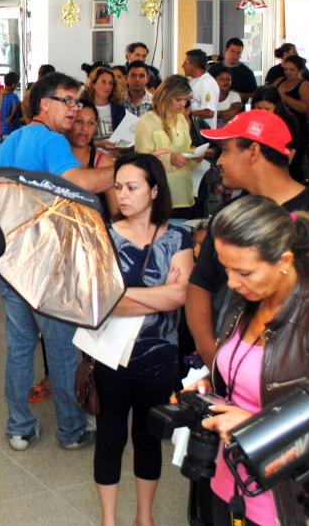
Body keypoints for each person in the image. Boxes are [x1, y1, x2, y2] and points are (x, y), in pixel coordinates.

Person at [196, 194, 309, 525]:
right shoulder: (249, 301)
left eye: (243, 272)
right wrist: (210, 388)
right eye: (226, 269)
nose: (230, 282)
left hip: (283, 501)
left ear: (284, 260)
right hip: (228, 481)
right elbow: (247, 377)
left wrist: (253, 427)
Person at [0, 72, 116, 452]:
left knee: (20, 346)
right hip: (47, 260)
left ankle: (20, 427)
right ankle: (72, 430)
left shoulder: (7, 142)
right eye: (68, 100)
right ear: (44, 104)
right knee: (61, 348)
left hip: (10, 257)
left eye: (77, 101)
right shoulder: (50, 140)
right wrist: (124, 171)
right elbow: (79, 181)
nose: (75, 108)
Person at [186, 109, 309, 368]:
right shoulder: (229, 214)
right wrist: (208, 348)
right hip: (225, 365)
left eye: (226, 150)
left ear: (253, 152)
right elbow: (200, 283)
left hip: (284, 373)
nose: (218, 161)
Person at [95, 153, 192, 526]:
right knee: (110, 437)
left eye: (132, 187)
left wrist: (122, 297)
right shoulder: (103, 235)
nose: (122, 195)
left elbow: (180, 297)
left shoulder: (178, 236)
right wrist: (158, 296)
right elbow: (101, 301)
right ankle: (109, 519)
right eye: (118, 187)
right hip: (110, 357)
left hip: (160, 358)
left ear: (154, 190)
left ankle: (144, 517)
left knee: (149, 439)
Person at [134, 75, 198, 218]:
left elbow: (187, 150)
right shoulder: (145, 122)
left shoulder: (181, 119)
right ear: (165, 96)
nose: (183, 104)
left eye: (186, 99)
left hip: (184, 195)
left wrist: (196, 155)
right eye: (178, 99)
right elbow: (142, 162)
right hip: (161, 197)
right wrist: (170, 159)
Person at [66, 104, 117, 220]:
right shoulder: (53, 156)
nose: (85, 128)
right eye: (79, 121)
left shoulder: (103, 162)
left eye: (91, 123)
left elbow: (116, 212)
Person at [272, 55, 309, 182]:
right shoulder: (279, 81)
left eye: (292, 70)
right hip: (279, 129)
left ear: (300, 71)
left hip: (298, 130)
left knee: (294, 165)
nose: (288, 73)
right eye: (286, 69)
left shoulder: (305, 85)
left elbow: (306, 108)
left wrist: (285, 98)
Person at [80, 66, 127, 153]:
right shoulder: (83, 108)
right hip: (89, 156)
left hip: (113, 156)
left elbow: (124, 137)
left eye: (110, 83)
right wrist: (98, 144)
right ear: (93, 84)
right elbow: (76, 140)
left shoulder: (119, 108)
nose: (107, 86)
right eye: (103, 82)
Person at [251, 86, 301, 163]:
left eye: (267, 109)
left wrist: (281, 169)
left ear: (276, 107)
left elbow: (292, 149)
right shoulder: (249, 118)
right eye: (258, 108)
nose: (263, 112)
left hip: (279, 163)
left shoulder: (289, 121)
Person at [184, 49, 220, 129]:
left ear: (195, 64)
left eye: (186, 63)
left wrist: (188, 113)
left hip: (202, 135)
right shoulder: (192, 81)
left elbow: (209, 113)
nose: (183, 65)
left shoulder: (207, 83)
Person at [223, 38, 257, 103]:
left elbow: (254, 95)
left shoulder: (247, 73)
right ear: (226, 50)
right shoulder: (214, 68)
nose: (235, 55)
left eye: (238, 53)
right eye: (232, 51)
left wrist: (237, 95)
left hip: (238, 109)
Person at [0, 71, 22, 140]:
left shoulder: (0, 95)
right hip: (12, 130)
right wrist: (10, 118)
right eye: (16, 84)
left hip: (1, 129)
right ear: (13, 85)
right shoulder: (14, 96)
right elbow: (16, 106)